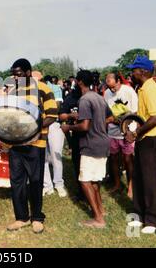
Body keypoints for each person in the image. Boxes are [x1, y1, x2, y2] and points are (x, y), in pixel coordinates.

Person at [6, 59, 58, 234]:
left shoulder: (43, 88)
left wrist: (32, 128)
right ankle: (21, 217)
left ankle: (37, 217)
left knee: (35, 180)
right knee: (17, 182)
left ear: (28, 72)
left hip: (36, 142)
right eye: (13, 73)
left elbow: (52, 115)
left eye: (18, 73)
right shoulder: (13, 91)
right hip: (16, 144)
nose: (15, 76)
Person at [61, 70, 112, 229]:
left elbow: (84, 126)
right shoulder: (98, 97)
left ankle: (98, 219)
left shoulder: (84, 100)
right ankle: (101, 210)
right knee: (94, 180)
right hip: (103, 142)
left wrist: (68, 126)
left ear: (80, 82)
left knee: (84, 180)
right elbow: (108, 118)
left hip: (91, 144)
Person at [125, 56, 156, 234]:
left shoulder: (150, 88)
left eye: (134, 70)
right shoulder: (143, 88)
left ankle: (154, 220)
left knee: (151, 179)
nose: (132, 73)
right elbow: (145, 114)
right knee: (139, 176)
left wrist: (136, 133)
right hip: (145, 137)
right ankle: (140, 213)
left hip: (153, 138)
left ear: (142, 72)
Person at [104, 72, 138, 199]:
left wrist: (128, 126)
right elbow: (107, 112)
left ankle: (131, 186)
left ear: (119, 81)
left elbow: (135, 112)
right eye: (109, 87)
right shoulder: (107, 93)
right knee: (113, 159)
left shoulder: (129, 91)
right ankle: (117, 184)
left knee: (128, 159)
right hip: (112, 132)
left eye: (114, 86)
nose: (112, 89)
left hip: (127, 131)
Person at [59, 85, 83, 201]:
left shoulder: (92, 96)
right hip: (76, 137)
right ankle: (81, 191)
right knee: (78, 164)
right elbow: (61, 115)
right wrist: (70, 115)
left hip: (91, 137)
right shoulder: (70, 98)